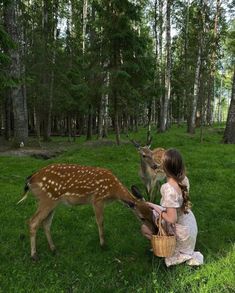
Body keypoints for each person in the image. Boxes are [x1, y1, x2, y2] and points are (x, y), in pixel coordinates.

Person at [141, 148, 203, 267]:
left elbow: (172, 219)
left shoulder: (167, 188)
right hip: (189, 226)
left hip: (180, 232)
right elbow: (175, 207)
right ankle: (176, 246)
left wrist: (158, 211)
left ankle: (164, 247)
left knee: (145, 227)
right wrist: (154, 206)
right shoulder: (184, 180)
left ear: (164, 168)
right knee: (154, 212)